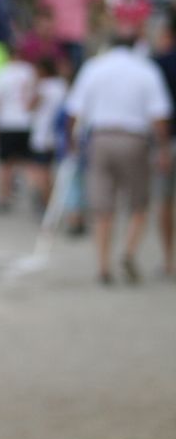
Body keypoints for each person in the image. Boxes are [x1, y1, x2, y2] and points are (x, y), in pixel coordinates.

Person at [66, 35, 172, 285]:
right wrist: (163, 148)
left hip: (100, 137)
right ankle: (128, 250)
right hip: (135, 139)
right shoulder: (146, 69)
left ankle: (103, 266)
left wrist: (72, 141)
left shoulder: (94, 67)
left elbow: (74, 109)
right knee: (139, 203)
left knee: (102, 206)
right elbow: (159, 114)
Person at [0, 46, 36, 213]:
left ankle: (4, 198)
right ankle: (35, 197)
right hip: (26, 122)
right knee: (27, 163)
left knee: (4, 164)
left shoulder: (1, 74)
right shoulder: (30, 72)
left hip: (6, 122)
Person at [36, 0, 102, 71]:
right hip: (55, 35)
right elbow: (41, 8)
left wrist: (93, 20)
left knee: (77, 68)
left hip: (76, 34)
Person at [28, 57, 68, 215]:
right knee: (51, 171)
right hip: (58, 134)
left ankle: (46, 203)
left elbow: (30, 106)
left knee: (42, 172)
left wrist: (34, 86)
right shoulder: (61, 85)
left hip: (42, 134)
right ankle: (52, 203)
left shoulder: (43, 87)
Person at [153, 21, 176, 277]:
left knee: (165, 201)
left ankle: (169, 259)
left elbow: (156, 110)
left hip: (167, 140)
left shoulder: (159, 63)